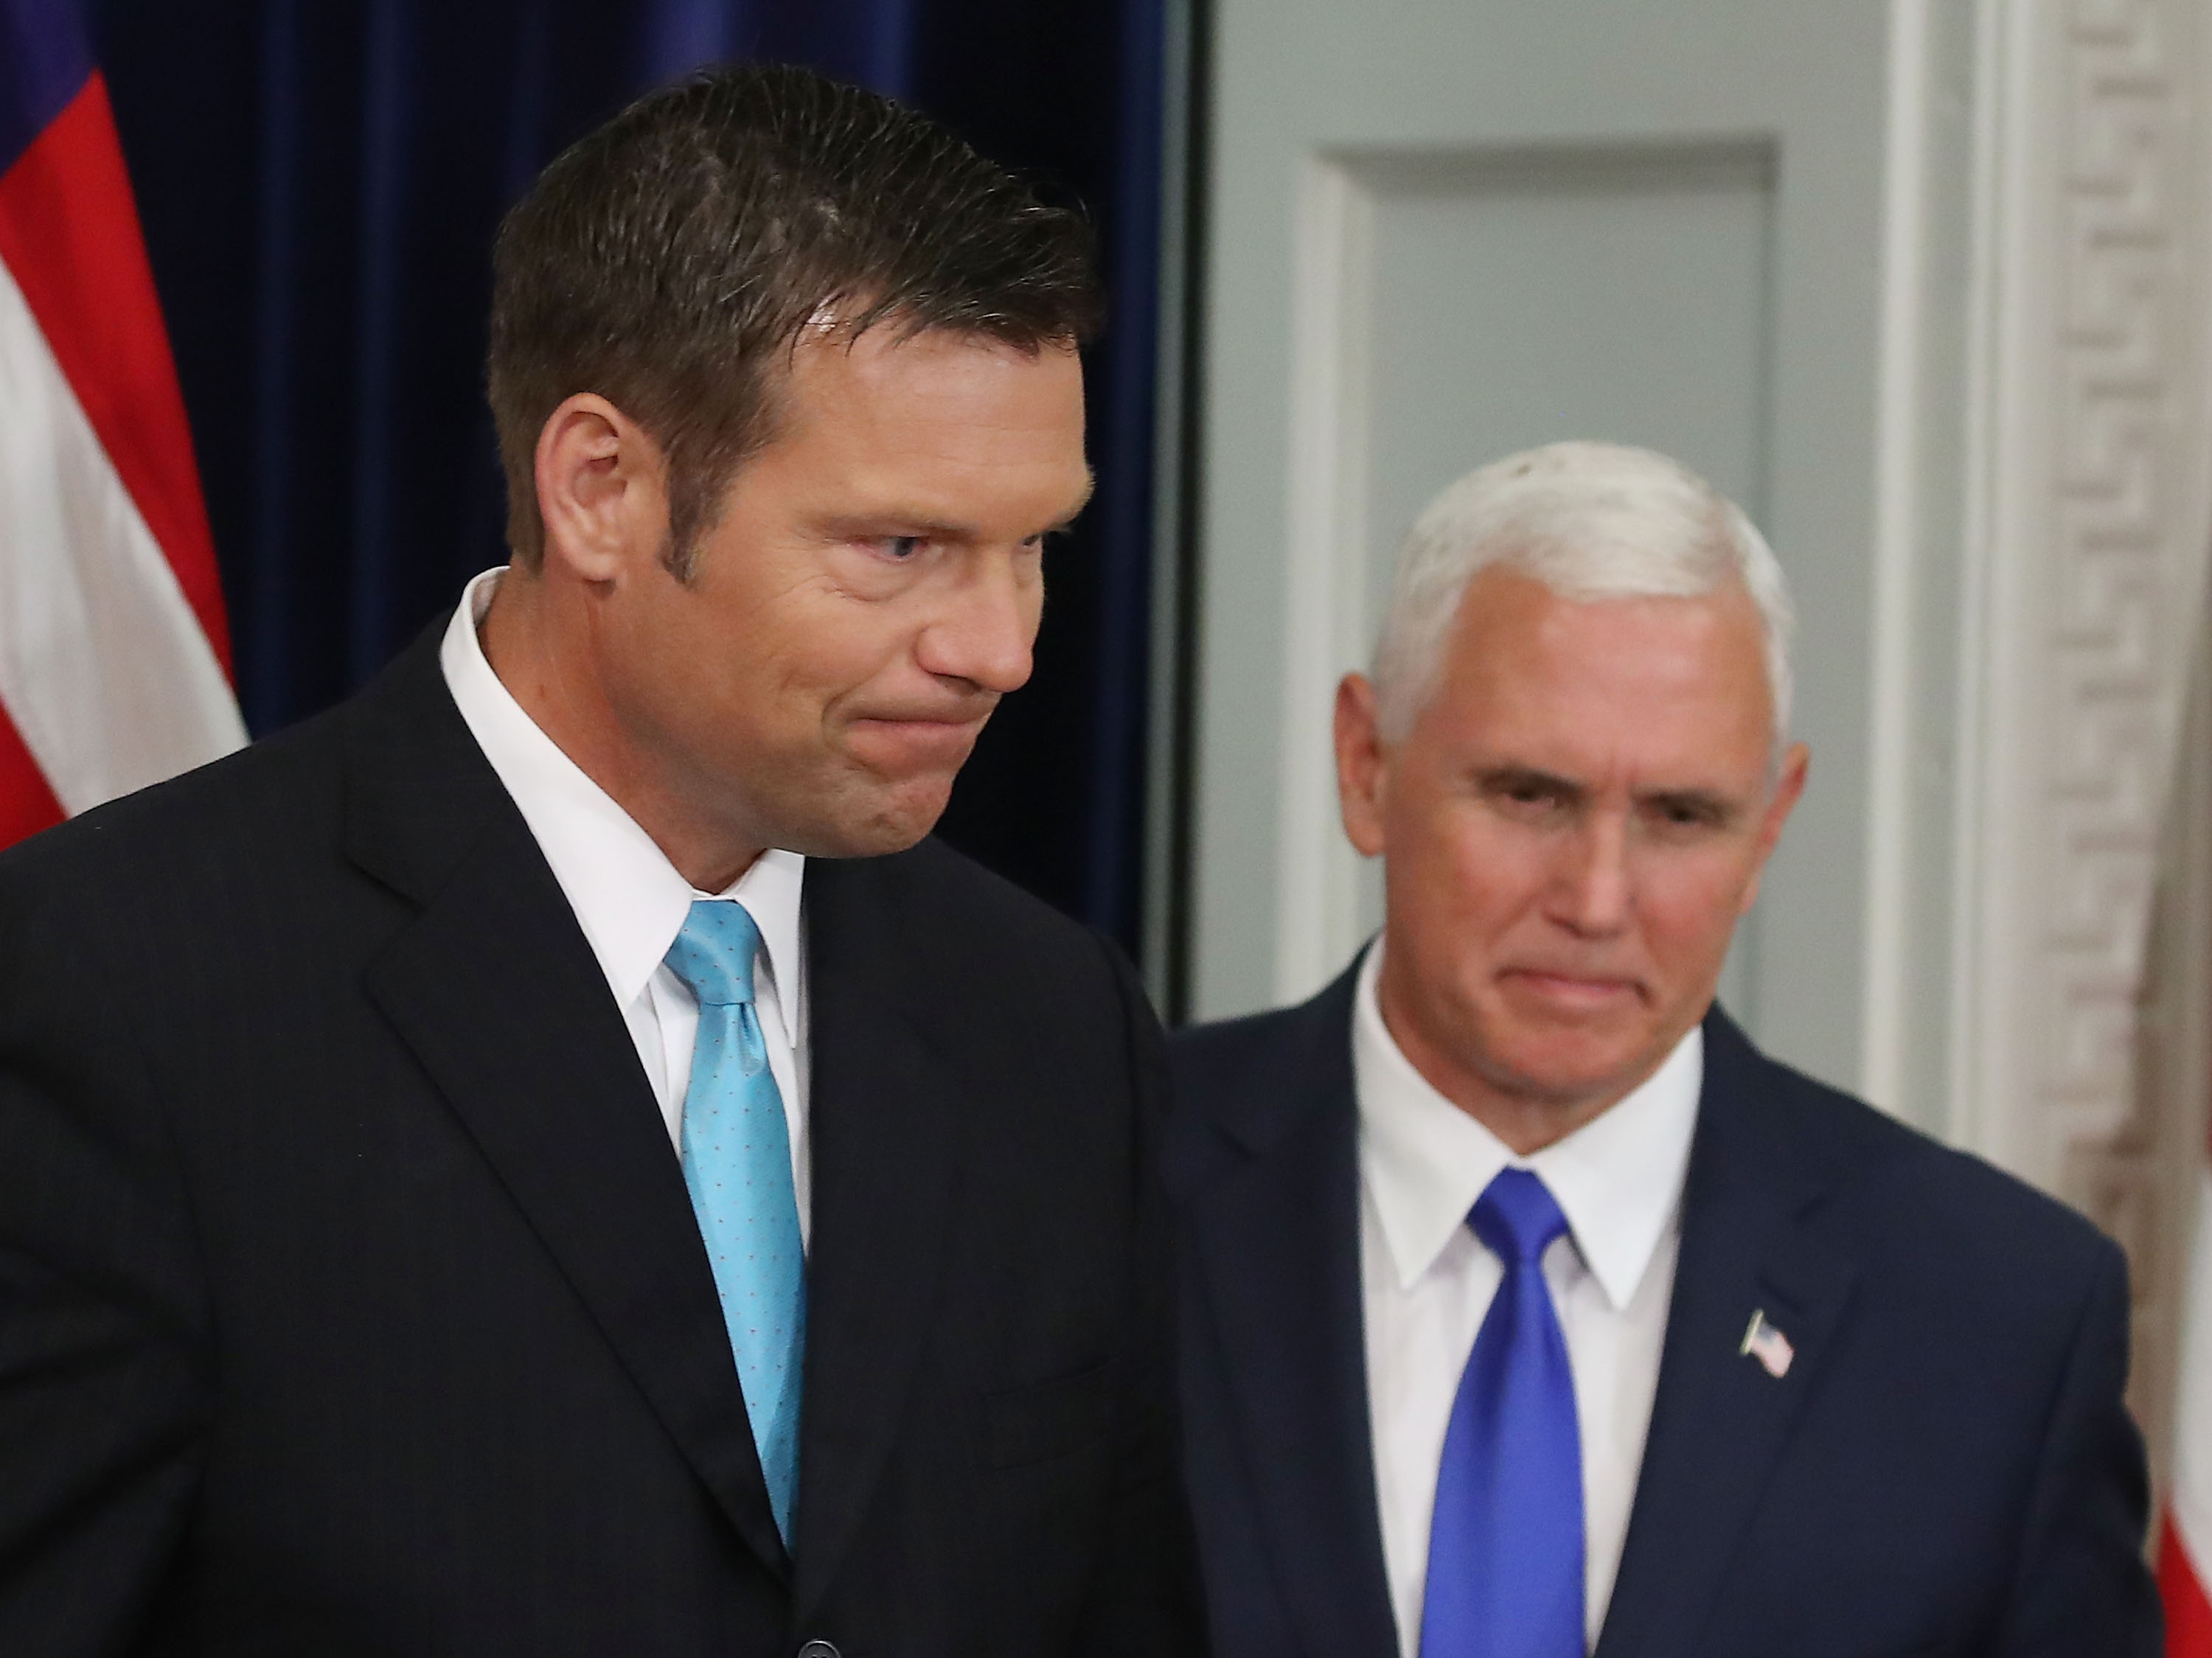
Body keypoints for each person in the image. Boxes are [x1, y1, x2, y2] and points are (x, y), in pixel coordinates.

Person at [0, 66, 1200, 1657]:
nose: (1000, 649)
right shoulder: (116, 990)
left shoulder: (1053, 1021)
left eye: (1033, 546)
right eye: (900, 548)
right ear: (603, 491)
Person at [1170, 440, 2160, 1657]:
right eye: (1530, 795)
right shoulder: (1089, 1182)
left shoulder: (1996, 1319)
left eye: (1682, 817)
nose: (1596, 898)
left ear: (1772, 824)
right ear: (1366, 765)